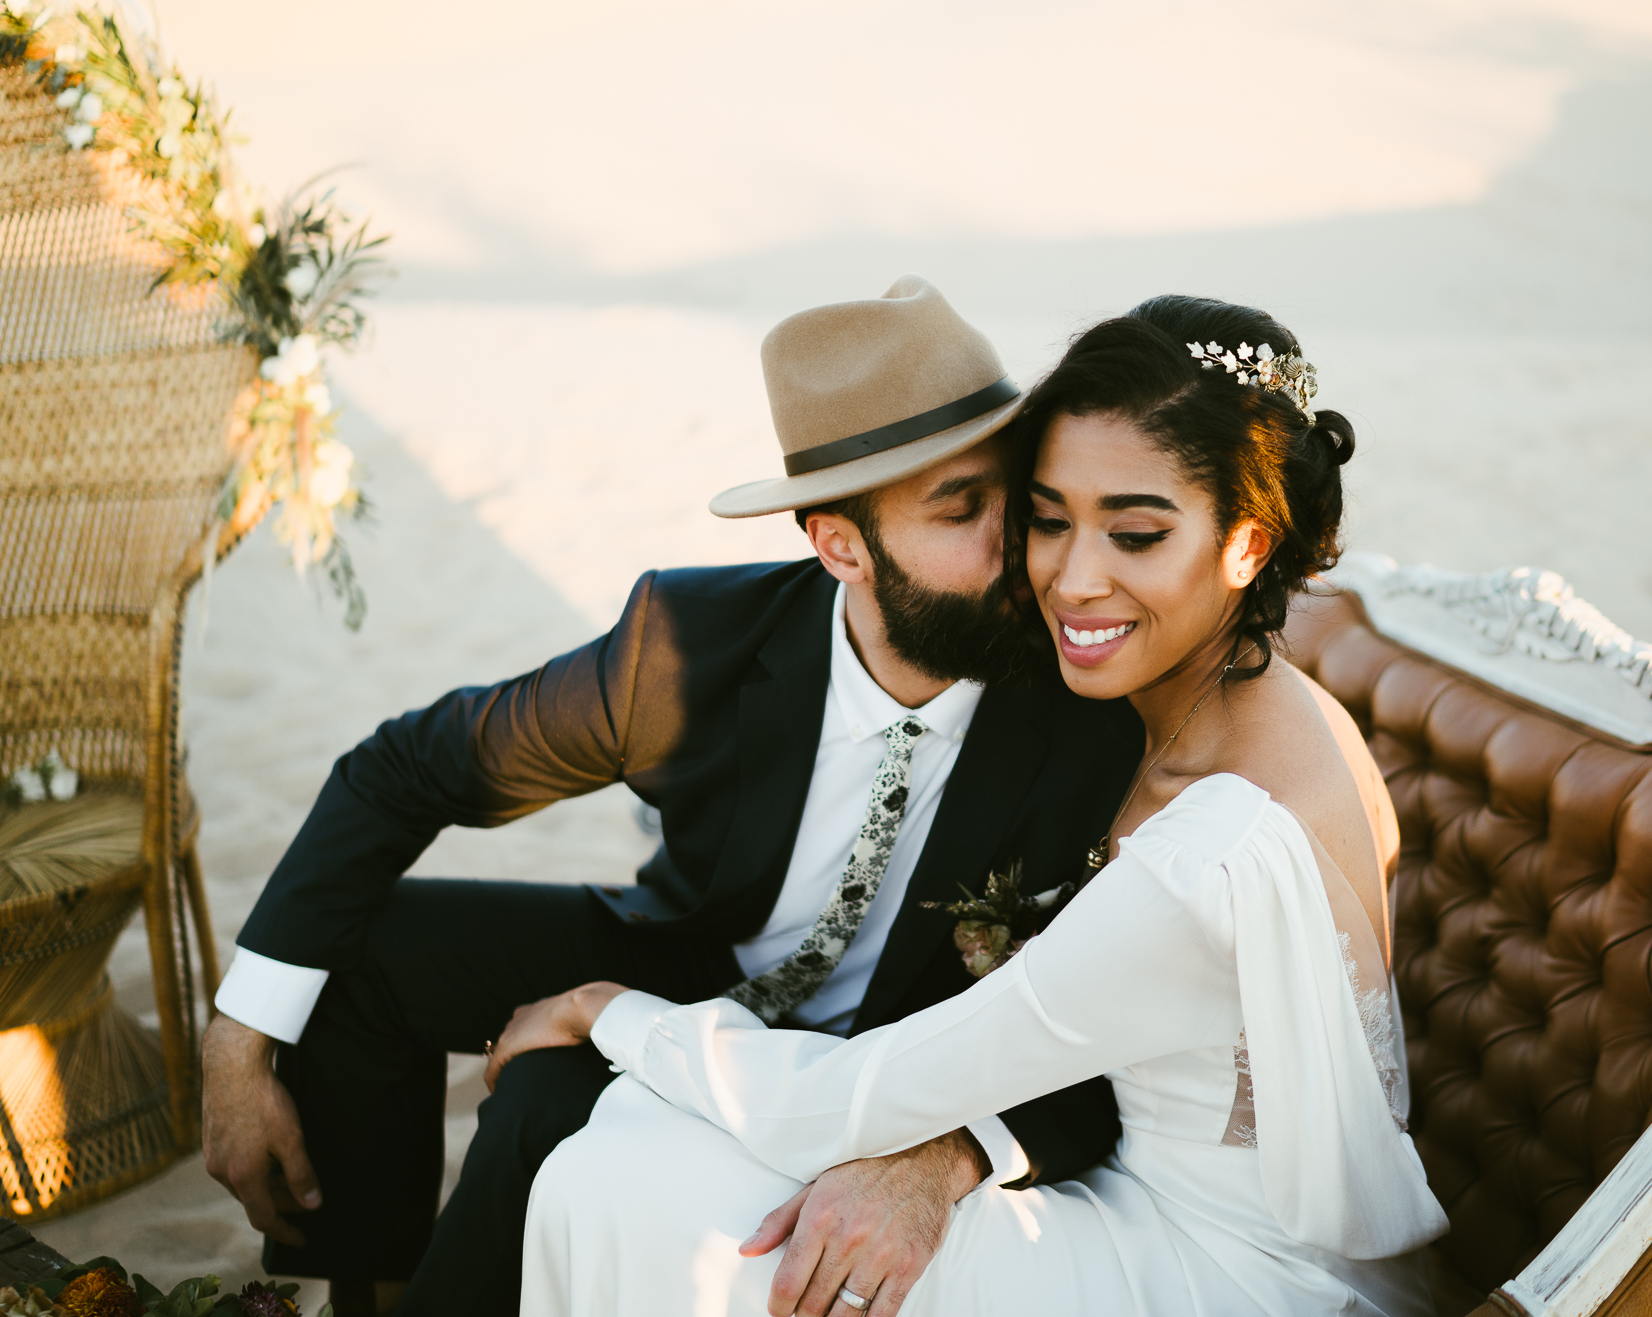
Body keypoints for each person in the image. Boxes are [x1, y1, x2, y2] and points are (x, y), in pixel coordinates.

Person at [199, 275, 1146, 1317]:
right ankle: (365, 1288)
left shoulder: (1092, 695)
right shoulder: (687, 643)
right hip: (693, 964)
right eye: (960, 508)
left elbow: (1132, 1005)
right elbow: (405, 768)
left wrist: (954, 1150)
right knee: (363, 950)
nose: (1020, 540)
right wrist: (237, 1039)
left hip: (898, 1062)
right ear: (840, 545)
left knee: (548, 1100)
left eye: (1018, 490)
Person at [503, 296, 1451, 1316]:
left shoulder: (1206, 852)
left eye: (1134, 533)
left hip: (1218, 1278)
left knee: (624, 1186)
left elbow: (853, 1097)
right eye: (1046, 519)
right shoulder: (1268, 705)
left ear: (1248, 544)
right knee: (631, 1149)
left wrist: (611, 1013)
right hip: (1157, 1202)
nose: (1070, 578)